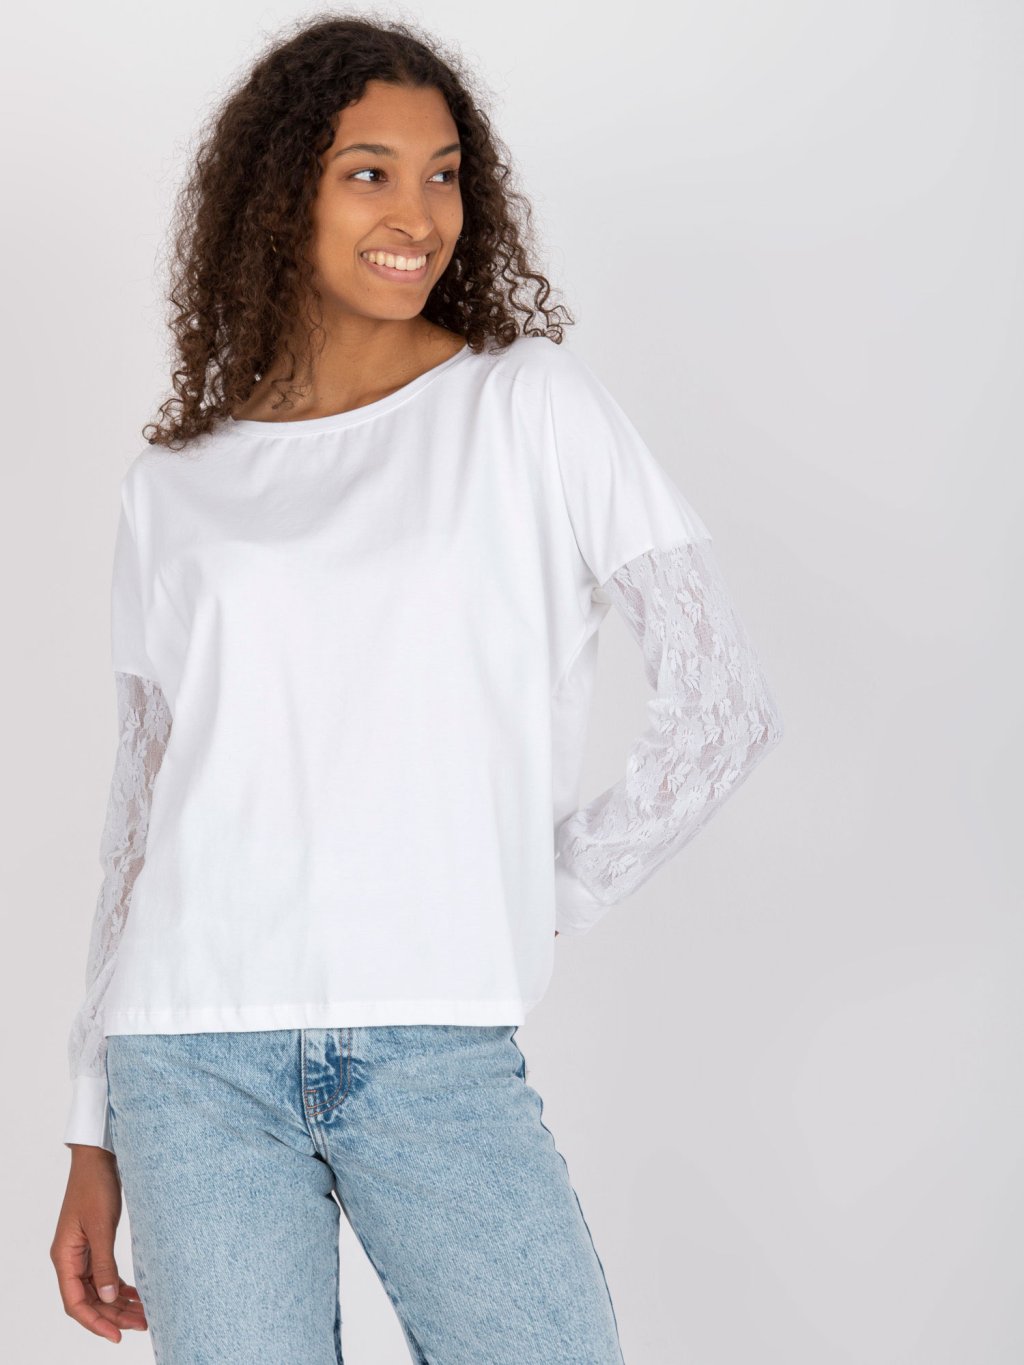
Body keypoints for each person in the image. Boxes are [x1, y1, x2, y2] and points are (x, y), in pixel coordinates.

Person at [49, 14, 785, 1363]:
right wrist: (88, 1127)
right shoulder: (176, 485)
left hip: (434, 1050)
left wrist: (540, 888)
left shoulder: (529, 405)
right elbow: (138, 821)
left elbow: (722, 701)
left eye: (445, 173)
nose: (420, 213)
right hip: (188, 1061)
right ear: (281, 197)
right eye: (369, 172)